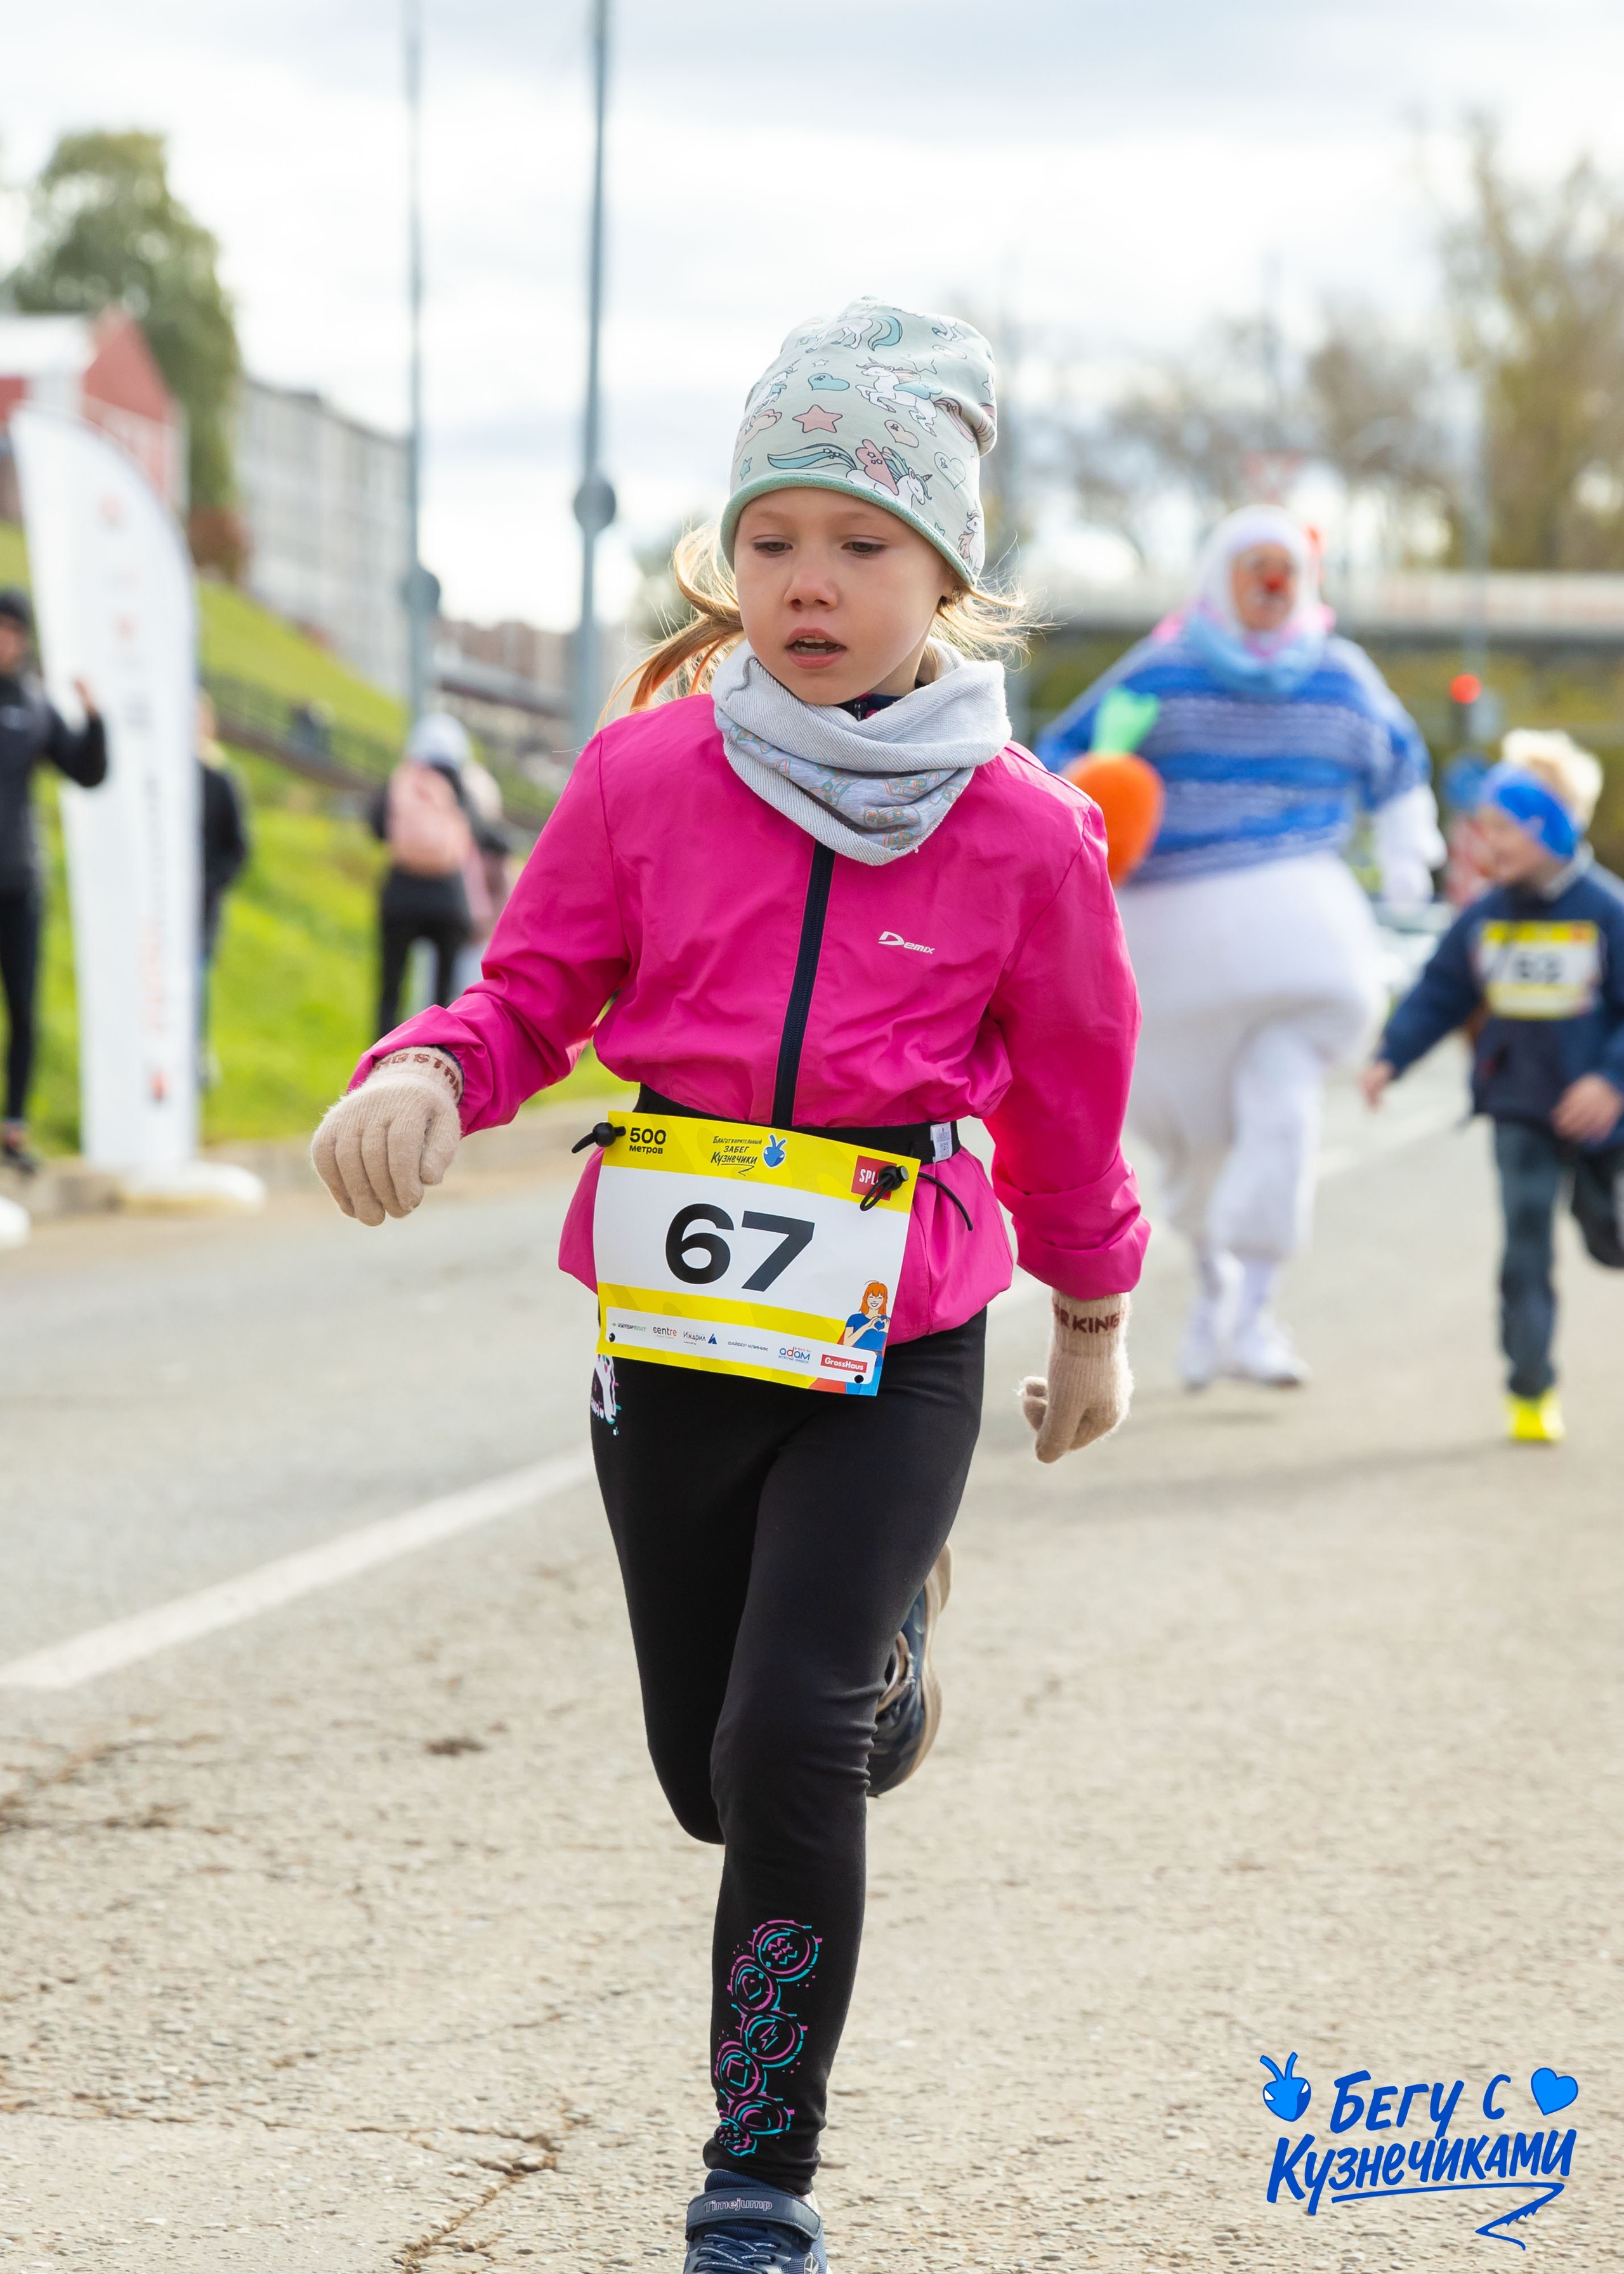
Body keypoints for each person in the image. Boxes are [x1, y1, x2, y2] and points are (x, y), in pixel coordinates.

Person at [311, 299, 1146, 2274]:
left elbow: (1071, 1112)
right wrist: (424, 1068)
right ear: (727, 560)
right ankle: (887, 1665)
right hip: (676, 1331)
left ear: (945, 573)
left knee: (784, 1741)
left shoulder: (1026, 837)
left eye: (861, 545)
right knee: (715, 1771)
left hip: (899, 1335)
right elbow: (531, 997)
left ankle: (757, 2171)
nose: (810, 583)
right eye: (773, 540)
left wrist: (1093, 1320)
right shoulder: (638, 777)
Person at [1038, 505, 1444, 1389]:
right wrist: (1099, 784)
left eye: (1283, 567)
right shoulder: (1166, 669)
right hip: (1171, 953)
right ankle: (1214, 1300)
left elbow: (1399, 762)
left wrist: (1413, 851)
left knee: (1283, 1114)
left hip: (1298, 948)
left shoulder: (1340, 674)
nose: (1270, 584)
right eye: (1253, 565)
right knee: (1196, 1147)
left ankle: (1254, 1310)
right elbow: (1057, 760)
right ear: (1221, 572)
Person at [1361, 731, 1624, 1443]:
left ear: (1549, 825)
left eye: (1502, 827)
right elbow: (1438, 992)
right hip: (1521, 1109)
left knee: (1612, 1240)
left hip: (1605, 1120)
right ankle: (1530, 1386)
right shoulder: (1485, 916)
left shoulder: (1607, 912)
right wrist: (1390, 1055)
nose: (1485, 842)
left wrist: (1610, 1081)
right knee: (1525, 1244)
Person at [0, 586, 106, 1174]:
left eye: (11, 631)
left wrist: (93, 719)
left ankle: (12, 1130)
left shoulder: (36, 707)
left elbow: (87, 771)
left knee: (23, 1007)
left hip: (20, 882)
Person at [369, 712, 504, 1037]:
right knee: (442, 998)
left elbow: (375, 826)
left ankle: (376, 1068)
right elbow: (486, 835)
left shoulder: (400, 781)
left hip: (401, 893)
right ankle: (434, 1059)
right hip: (449, 899)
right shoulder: (460, 789)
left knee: (391, 989)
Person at [197, 692, 251, 1083]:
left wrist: (209, 884)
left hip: (202, 905)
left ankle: (196, 1054)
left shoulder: (221, 779)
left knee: (195, 978)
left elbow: (238, 847)